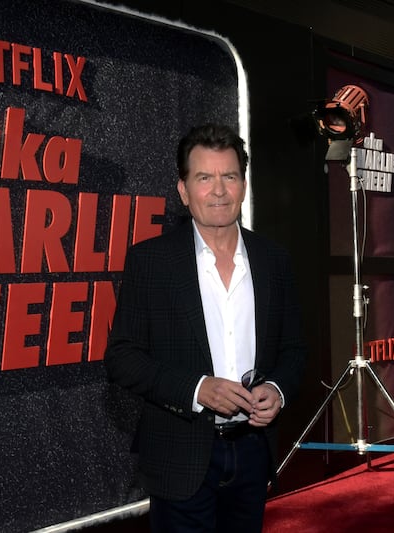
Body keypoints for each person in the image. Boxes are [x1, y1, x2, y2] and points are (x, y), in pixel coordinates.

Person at [105, 123, 307, 533]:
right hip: (180, 454)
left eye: (229, 176)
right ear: (183, 190)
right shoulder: (151, 262)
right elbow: (122, 358)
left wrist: (278, 389)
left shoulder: (274, 260)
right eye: (204, 178)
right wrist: (198, 389)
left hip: (254, 451)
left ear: (244, 185)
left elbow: (295, 349)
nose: (218, 190)